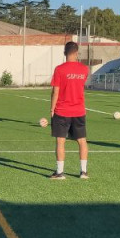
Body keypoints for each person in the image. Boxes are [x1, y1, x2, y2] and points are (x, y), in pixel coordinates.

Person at [48, 41, 89, 180]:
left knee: (60, 141)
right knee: (82, 141)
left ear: (65, 53)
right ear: (77, 53)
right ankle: (83, 172)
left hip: (62, 111)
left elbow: (56, 91)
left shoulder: (59, 69)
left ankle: (60, 173)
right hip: (79, 110)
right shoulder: (84, 69)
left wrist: (52, 108)